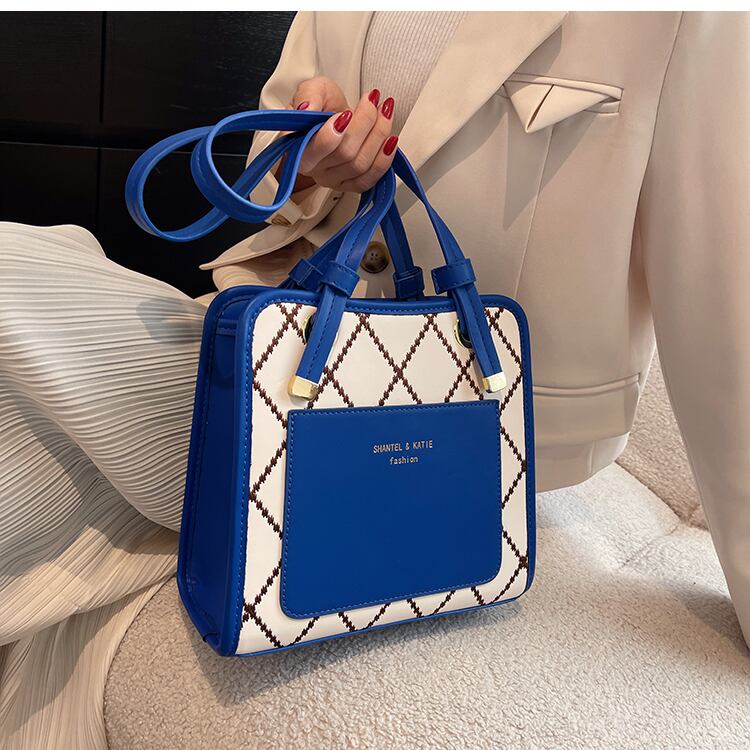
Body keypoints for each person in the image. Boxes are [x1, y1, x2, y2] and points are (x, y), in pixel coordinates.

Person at [1, 10, 749, 746]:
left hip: (484, 436)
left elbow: (725, 296)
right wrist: (309, 166)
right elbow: (271, 181)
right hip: (284, 360)